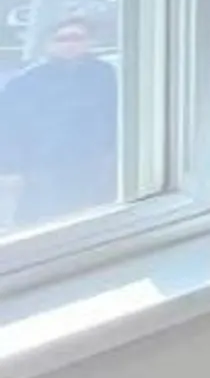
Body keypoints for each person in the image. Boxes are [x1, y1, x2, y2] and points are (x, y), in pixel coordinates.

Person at [0, 15, 123, 228]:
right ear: (48, 44)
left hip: (94, 163)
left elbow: (114, 115)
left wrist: (113, 154)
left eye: (77, 38)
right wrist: (11, 168)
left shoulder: (104, 74)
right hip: (44, 167)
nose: (70, 44)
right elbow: (8, 129)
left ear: (90, 42)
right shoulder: (24, 83)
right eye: (62, 39)